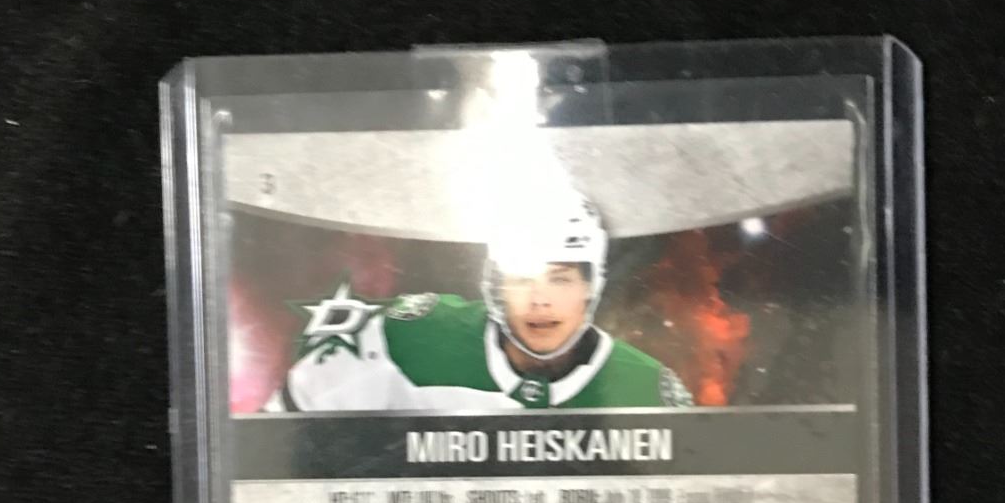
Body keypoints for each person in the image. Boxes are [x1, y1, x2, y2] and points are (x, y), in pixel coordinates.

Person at [268, 192, 693, 413]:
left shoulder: (649, 390)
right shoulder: (412, 340)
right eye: (522, 279)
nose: (540, 300)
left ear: (589, 288)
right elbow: (276, 439)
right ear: (495, 285)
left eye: (560, 279)